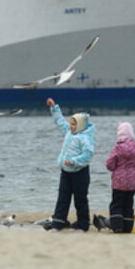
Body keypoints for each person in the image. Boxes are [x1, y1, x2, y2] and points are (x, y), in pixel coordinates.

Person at [46, 97, 95, 231]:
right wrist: (54, 107)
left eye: (74, 124)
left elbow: (88, 155)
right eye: (71, 124)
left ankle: (83, 226)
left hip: (80, 173)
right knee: (62, 198)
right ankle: (57, 224)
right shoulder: (69, 132)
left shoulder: (85, 138)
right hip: (66, 172)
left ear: (80, 125)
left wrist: (73, 161)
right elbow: (60, 122)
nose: (71, 126)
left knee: (80, 200)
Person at [105, 122, 135, 233]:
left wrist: (116, 168)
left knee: (116, 204)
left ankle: (117, 226)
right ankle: (127, 227)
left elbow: (109, 164)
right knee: (128, 204)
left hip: (119, 181)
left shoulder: (118, 148)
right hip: (132, 181)